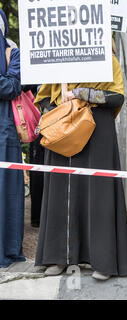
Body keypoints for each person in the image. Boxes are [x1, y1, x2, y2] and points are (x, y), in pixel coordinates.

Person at [34, 46, 127, 281]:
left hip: (97, 127)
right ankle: (59, 256)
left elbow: (117, 97)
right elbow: (44, 97)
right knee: (61, 191)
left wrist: (82, 94)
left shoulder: (108, 60)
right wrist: (59, 110)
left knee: (99, 192)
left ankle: (103, 260)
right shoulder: (57, 60)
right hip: (64, 126)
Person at [0, 9, 25, 268]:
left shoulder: (11, 52)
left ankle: (6, 248)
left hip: (4, 131)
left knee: (5, 189)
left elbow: (13, 86)